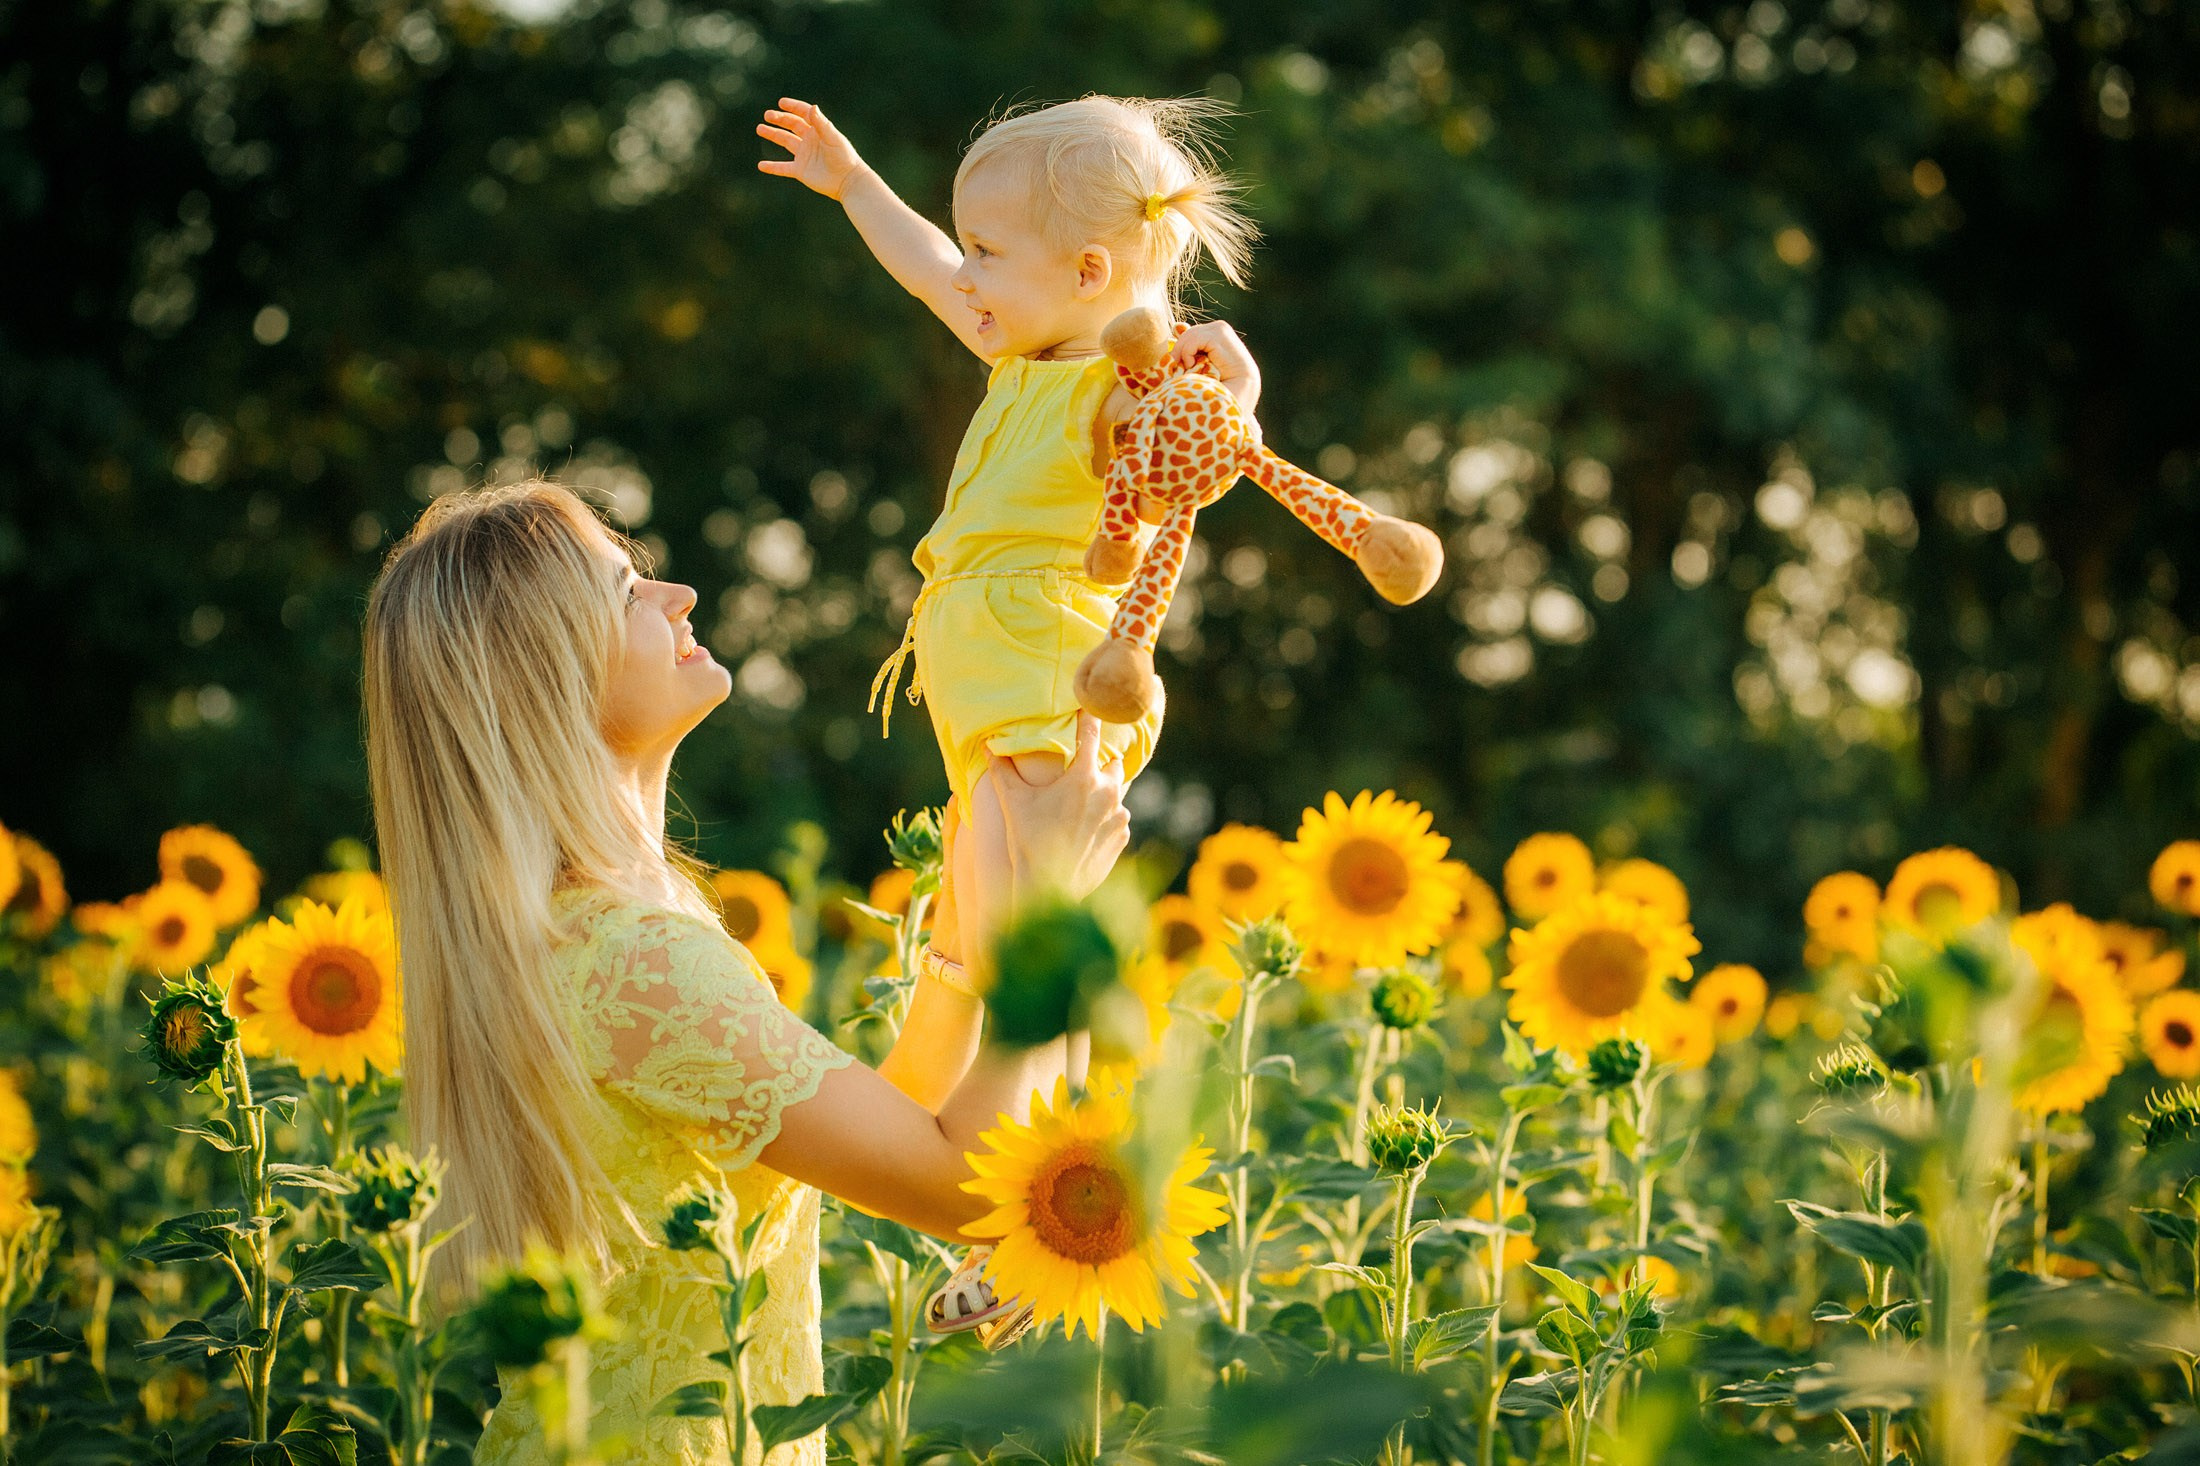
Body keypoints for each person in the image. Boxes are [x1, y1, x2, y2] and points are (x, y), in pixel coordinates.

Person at [361, 481, 1129, 1465]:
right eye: (622, 590)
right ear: (539, 673)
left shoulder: (597, 936)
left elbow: (873, 1138)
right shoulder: (640, 962)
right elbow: (965, 1188)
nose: (675, 595)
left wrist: (963, 951)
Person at [756, 94, 1260, 1330]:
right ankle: (1050, 1185)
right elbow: (925, 264)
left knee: (1028, 934)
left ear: (1091, 271)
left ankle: (1040, 1209)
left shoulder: (1109, 385)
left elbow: (1198, 445)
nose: (962, 273)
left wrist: (1232, 385)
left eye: (990, 253)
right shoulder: (1020, 351)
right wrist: (853, 175)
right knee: (1009, 936)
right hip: (990, 681)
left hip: (1051, 667)